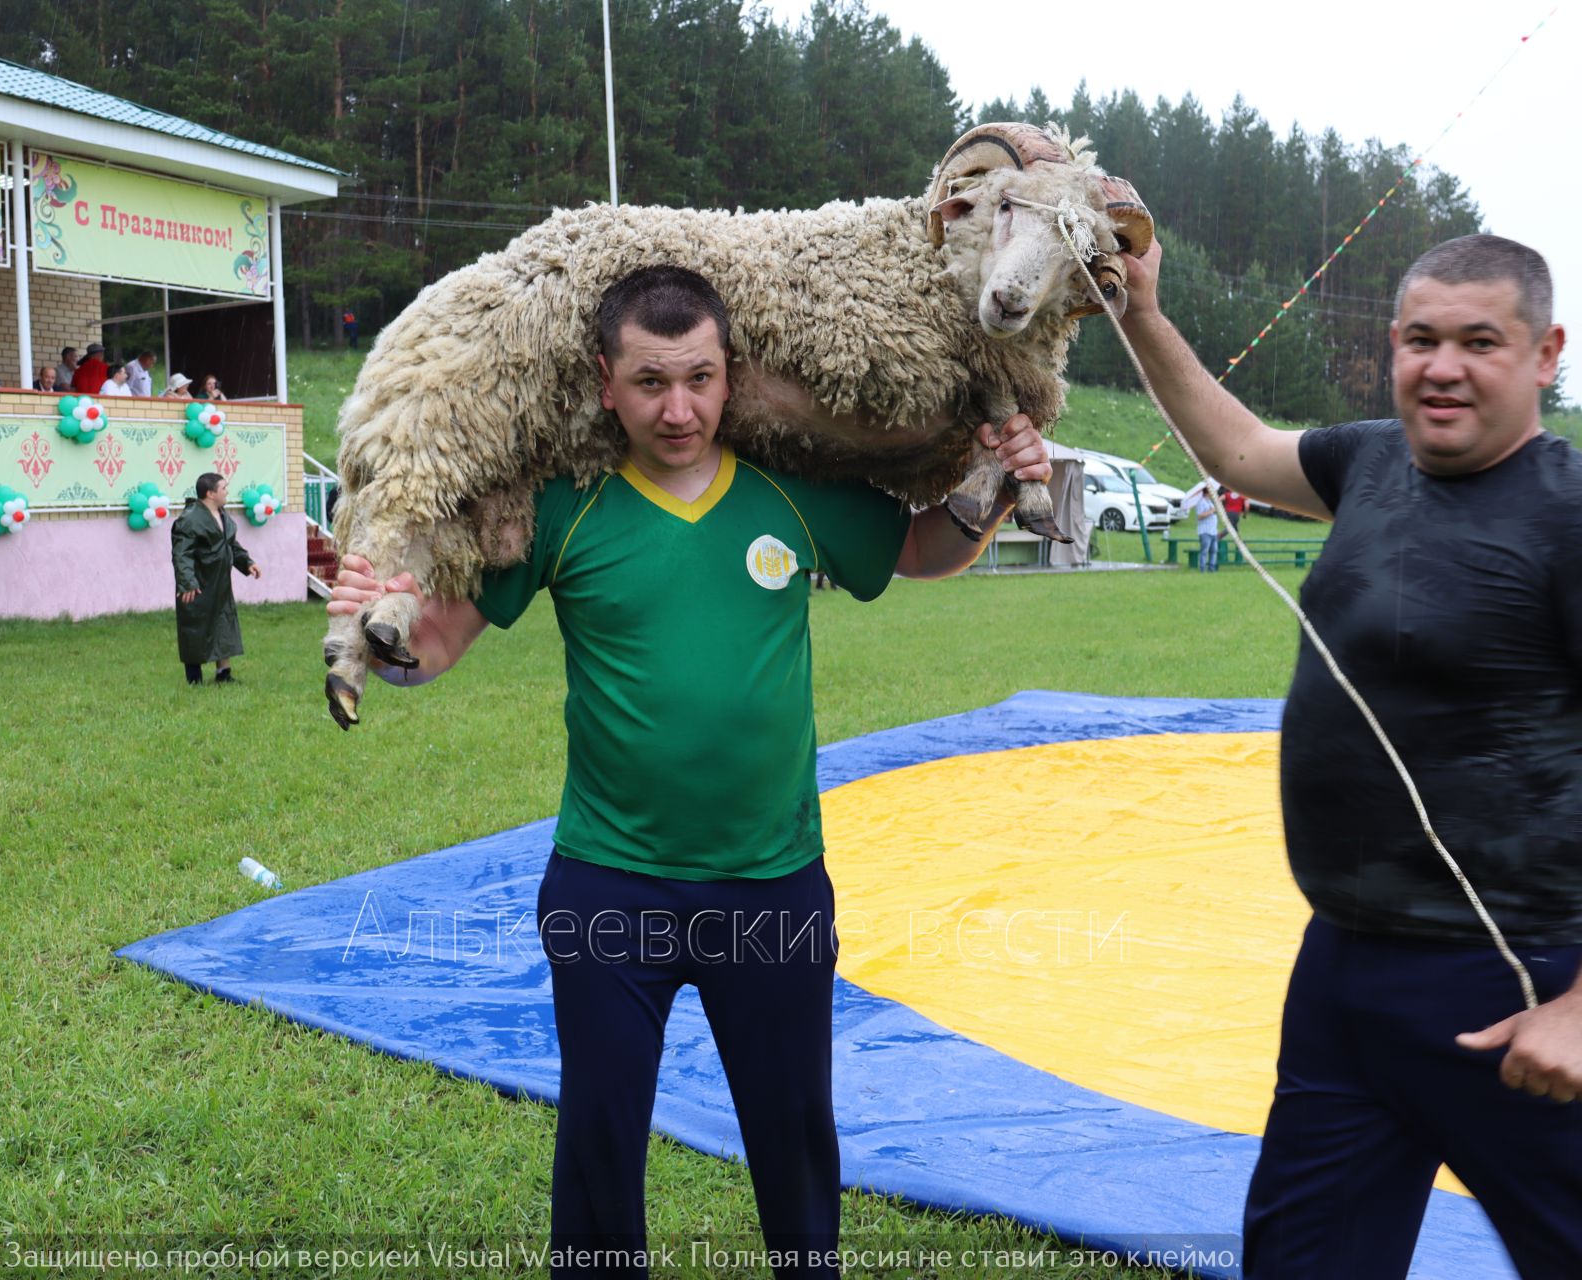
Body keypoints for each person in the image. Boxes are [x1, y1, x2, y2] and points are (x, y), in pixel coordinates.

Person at [330, 266, 1050, 1277]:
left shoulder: (789, 496)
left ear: (730, 375)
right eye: (650, 381)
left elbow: (923, 548)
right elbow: (436, 643)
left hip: (773, 885)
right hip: (609, 885)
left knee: (795, 1130)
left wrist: (998, 482)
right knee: (600, 1135)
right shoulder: (558, 510)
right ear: (604, 382)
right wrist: (379, 625)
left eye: (700, 378)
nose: (679, 408)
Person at [1118, 232, 1580, 1277]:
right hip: (1345, 967)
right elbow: (1236, 451)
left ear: (1545, 352)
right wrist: (1143, 310)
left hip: (1517, 985)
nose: (1443, 365)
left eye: (1479, 340)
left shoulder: (1568, 515)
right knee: (1306, 1256)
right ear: (1393, 346)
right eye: (1422, 339)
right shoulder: (1369, 460)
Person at [172, 472, 262, 685]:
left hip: (220, 582)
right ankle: (194, 678)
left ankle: (224, 674)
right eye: (223, 488)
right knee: (195, 627)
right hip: (199, 583)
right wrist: (187, 582)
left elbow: (230, 544)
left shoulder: (222, 515)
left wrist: (247, 562)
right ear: (210, 493)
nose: (227, 492)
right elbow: (182, 553)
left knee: (223, 621)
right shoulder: (190, 519)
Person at [1188, 482, 1221, 572]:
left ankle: (1211, 568)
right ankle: (1202, 568)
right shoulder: (1201, 502)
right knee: (1204, 551)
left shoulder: (1210, 502)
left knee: (1214, 551)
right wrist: (1211, 512)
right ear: (1208, 492)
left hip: (1213, 531)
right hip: (1205, 531)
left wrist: (1215, 511)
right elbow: (1199, 516)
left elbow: (1212, 512)